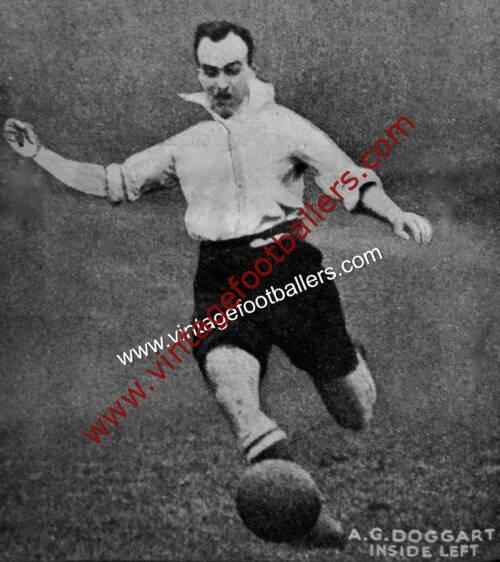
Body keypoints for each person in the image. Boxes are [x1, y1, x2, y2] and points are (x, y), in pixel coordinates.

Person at [4, 20, 432, 548]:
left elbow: (349, 180)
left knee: (356, 413)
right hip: (221, 278)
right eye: (211, 72)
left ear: (251, 68)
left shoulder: (286, 127)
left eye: (233, 69)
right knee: (234, 393)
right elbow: (112, 180)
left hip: (291, 270)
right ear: (198, 74)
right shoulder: (187, 145)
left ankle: (349, 356)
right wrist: (40, 155)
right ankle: (305, 519)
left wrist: (394, 214)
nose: (222, 83)